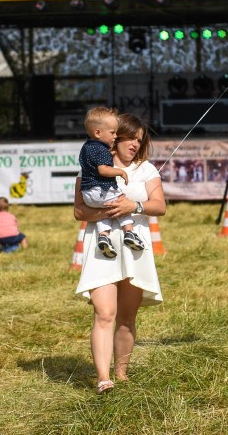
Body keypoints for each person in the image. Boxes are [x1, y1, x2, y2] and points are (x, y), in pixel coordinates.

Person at [74, 113, 166, 395]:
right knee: (105, 313)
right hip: (103, 249)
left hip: (135, 248)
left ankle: (121, 374)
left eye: (140, 140)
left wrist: (134, 206)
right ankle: (104, 379)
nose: (136, 145)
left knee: (127, 317)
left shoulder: (147, 170)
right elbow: (79, 210)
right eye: (131, 138)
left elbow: (159, 206)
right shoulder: (92, 164)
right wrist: (109, 211)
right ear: (115, 137)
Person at [78, 106, 145, 258]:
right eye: (113, 133)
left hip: (88, 195)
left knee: (104, 211)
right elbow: (103, 170)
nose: (115, 136)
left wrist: (109, 154)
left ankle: (103, 236)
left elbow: (95, 162)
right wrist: (120, 172)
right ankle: (129, 232)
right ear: (98, 132)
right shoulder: (101, 150)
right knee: (121, 201)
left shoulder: (87, 147)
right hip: (100, 189)